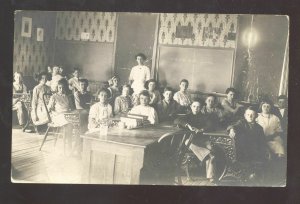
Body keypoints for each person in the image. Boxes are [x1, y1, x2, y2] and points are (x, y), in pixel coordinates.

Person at [174, 100, 216, 181]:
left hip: (202, 139)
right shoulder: (187, 116)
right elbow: (176, 120)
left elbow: (211, 125)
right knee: (187, 142)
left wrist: (201, 130)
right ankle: (208, 155)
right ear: (191, 107)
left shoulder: (205, 116)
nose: (196, 108)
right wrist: (188, 125)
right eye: (194, 106)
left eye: (198, 107)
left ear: (200, 108)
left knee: (212, 148)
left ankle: (210, 176)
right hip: (191, 141)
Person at [47, 79, 75, 154]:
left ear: (65, 88)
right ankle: (68, 145)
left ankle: (70, 144)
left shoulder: (67, 97)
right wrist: (55, 114)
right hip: (57, 116)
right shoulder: (54, 96)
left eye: (63, 88)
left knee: (72, 122)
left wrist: (70, 113)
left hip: (67, 115)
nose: (61, 89)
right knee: (69, 124)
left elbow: (72, 108)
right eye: (60, 87)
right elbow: (49, 109)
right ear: (57, 88)